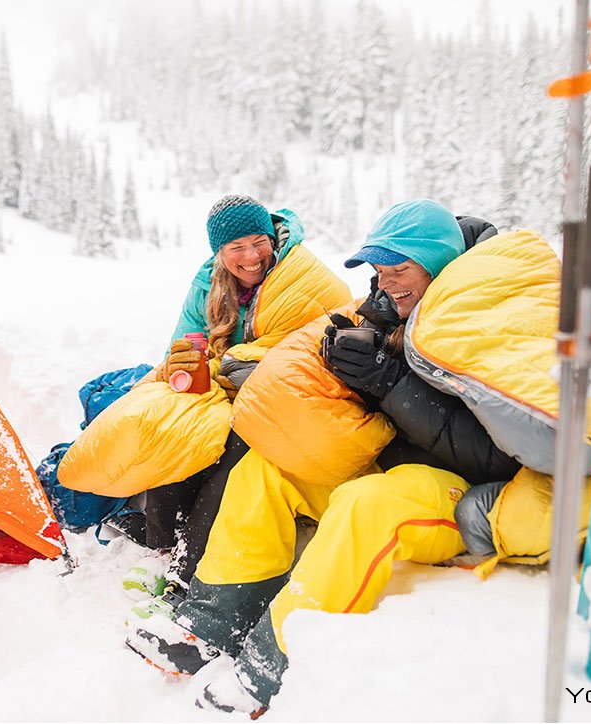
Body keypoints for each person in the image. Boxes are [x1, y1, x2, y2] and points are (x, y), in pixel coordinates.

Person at [125, 199, 523, 713]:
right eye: (379, 273)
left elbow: (495, 455)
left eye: (398, 271)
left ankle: (271, 661)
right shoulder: (391, 306)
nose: (387, 284)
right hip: (393, 459)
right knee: (266, 469)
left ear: (437, 263)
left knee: (365, 503)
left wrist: (387, 379)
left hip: (460, 489)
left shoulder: (481, 319)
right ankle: (209, 622)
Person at [125, 194, 351, 605]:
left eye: (258, 242)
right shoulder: (207, 284)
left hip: (278, 399)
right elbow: (182, 345)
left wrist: (245, 365)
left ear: (272, 238)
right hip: (224, 389)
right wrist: (187, 368)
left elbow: (323, 339)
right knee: (176, 427)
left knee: (234, 451)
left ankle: (185, 567)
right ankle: (163, 544)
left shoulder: (301, 274)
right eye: (236, 248)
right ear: (219, 252)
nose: (251, 257)